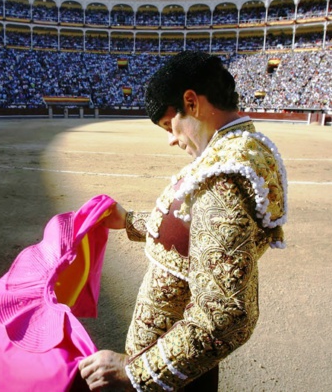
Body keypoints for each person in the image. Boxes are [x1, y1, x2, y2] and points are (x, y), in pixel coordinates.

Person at [79, 51, 288, 391]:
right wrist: (130, 221)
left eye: (168, 126)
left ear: (191, 102)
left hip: (175, 376)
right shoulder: (232, 153)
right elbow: (195, 235)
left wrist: (133, 371)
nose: (171, 139)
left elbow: (224, 317)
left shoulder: (223, 178)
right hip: (178, 369)